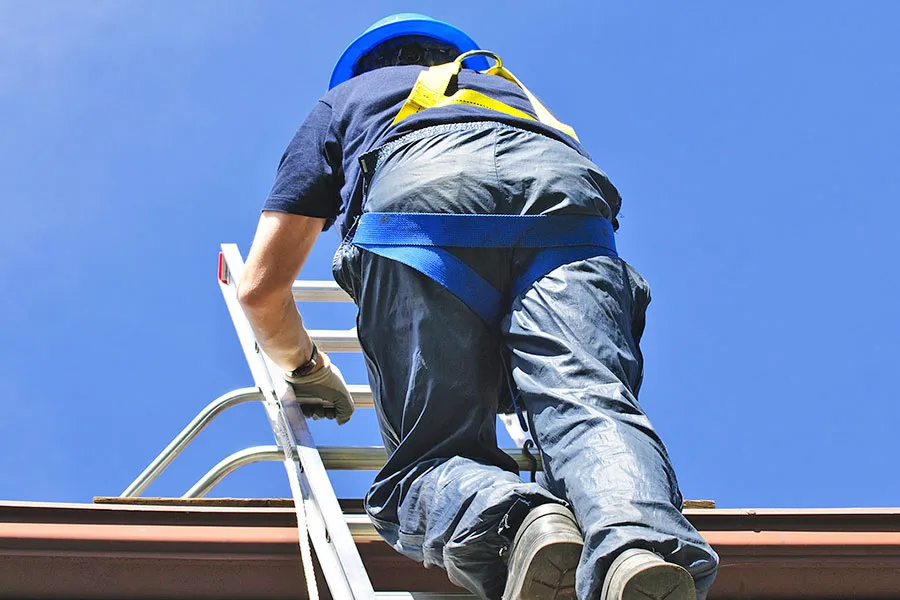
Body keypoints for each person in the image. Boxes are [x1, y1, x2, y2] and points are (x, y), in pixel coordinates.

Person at [237, 13, 719, 600]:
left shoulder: (344, 102)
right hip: (567, 214)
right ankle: (640, 547)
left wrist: (309, 368)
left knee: (425, 467)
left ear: (364, 69)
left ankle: (517, 525)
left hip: (418, 217)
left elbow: (260, 289)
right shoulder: (519, 99)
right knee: (588, 406)